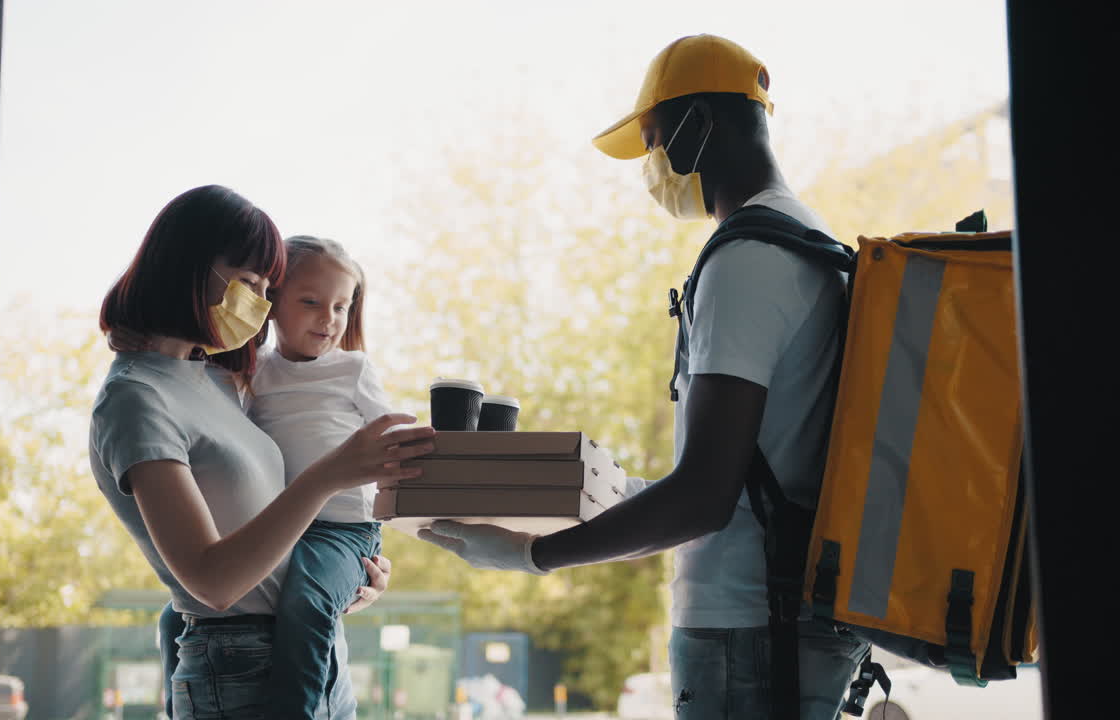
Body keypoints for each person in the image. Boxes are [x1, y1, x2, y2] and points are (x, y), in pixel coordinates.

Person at [417, 35, 870, 720]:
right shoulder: (810, 242)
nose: (652, 167)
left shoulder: (746, 260)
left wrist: (530, 554)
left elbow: (704, 501)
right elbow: (751, 478)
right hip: (790, 618)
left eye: (656, 141)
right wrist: (605, 488)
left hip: (745, 631)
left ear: (701, 126)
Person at [91, 184, 435, 720]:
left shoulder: (219, 381)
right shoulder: (137, 399)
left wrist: (351, 575)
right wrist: (327, 478)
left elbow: (261, 524)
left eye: (266, 286)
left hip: (309, 650)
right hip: (241, 663)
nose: (261, 303)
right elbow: (214, 582)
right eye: (250, 283)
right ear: (191, 267)